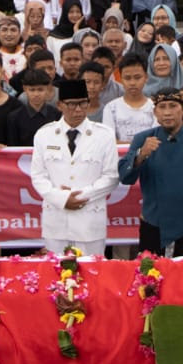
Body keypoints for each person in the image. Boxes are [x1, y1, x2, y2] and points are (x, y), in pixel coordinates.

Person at [118, 90, 183, 256]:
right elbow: (125, 177)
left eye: (173, 106)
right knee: (151, 279)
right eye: (162, 107)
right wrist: (140, 155)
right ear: (155, 112)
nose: (167, 112)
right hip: (153, 225)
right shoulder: (143, 139)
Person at [29, 78, 120, 257]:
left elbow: (111, 176)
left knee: (91, 275)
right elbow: (38, 176)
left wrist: (81, 196)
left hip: (89, 220)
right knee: (56, 277)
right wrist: (62, 198)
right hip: (56, 220)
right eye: (72, 104)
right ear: (60, 105)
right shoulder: (44, 134)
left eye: (83, 103)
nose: (78, 110)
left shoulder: (104, 135)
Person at [101, 55, 155, 142]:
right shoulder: (111, 108)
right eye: (127, 78)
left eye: (137, 77)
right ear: (121, 79)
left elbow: (155, 140)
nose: (132, 83)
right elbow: (109, 141)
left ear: (146, 77)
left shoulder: (154, 107)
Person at [6, 68, 62, 147]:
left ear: (47, 89)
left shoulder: (56, 115)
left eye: (40, 89)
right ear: (25, 89)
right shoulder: (14, 117)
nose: (36, 94)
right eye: (32, 90)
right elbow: (12, 147)